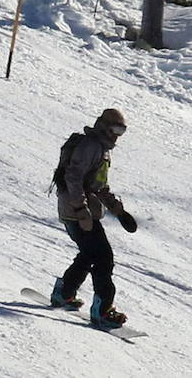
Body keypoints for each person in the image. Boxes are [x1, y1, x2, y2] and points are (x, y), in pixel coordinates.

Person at [51, 107, 139, 329]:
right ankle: (102, 309)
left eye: (123, 130)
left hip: (83, 212)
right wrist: (81, 210)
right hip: (76, 212)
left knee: (90, 253)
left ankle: (64, 293)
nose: (118, 135)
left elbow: (98, 185)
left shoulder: (102, 149)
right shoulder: (90, 146)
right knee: (103, 257)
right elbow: (73, 177)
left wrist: (118, 211)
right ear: (104, 126)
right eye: (116, 129)